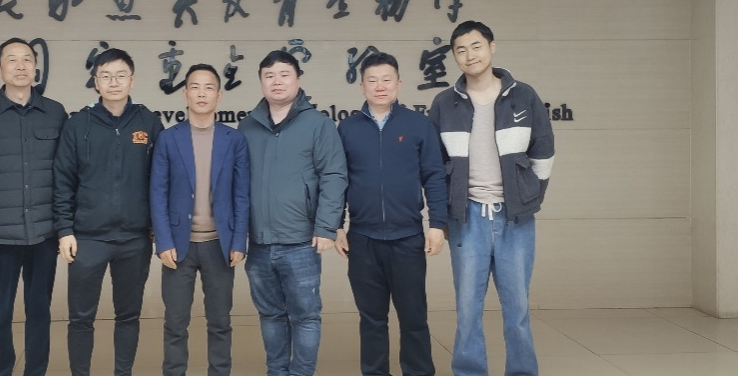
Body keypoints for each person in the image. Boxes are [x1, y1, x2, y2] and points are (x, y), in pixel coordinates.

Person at [428, 21, 556, 376]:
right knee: (468, 309)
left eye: (476, 46)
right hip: (467, 218)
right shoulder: (445, 103)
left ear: (492, 47)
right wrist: (445, 213)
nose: (470, 55)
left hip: (515, 219)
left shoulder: (523, 95)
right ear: (455, 56)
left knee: (518, 309)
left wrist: (528, 197)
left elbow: (544, 151)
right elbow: (434, 165)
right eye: (461, 50)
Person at [53, 48, 164, 376]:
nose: (113, 82)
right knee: (81, 318)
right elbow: (63, 180)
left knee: (128, 316)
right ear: (95, 82)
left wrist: (158, 227)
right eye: (105, 76)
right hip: (88, 238)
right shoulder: (78, 124)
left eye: (120, 76)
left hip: (134, 238)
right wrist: (64, 230)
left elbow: (161, 179)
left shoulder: (148, 121)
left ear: (132, 80)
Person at [0, 38, 68, 376]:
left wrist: (65, 228)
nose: (20, 66)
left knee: (40, 312)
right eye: (12, 60)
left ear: (36, 68)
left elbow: (66, 175)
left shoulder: (55, 112)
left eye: (27, 59)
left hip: (44, 234)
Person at [335, 52, 447, 376]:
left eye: (387, 79)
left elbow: (434, 176)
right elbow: (338, 180)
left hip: (407, 238)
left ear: (399, 83)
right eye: (372, 80)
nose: (380, 86)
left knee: (414, 318)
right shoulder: (347, 129)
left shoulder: (419, 125)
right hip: (363, 239)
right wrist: (336, 225)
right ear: (362, 86)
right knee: (371, 319)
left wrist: (437, 224)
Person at [238, 50, 347, 376]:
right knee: (270, 315)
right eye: (269, 75)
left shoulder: (318, 125)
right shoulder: (247, 127)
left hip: (301, 242)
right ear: (261, 82)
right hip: (258, 243)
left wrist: (326, 227)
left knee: (305, 316)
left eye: (284, 74)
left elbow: (334, 176)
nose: (277, 81)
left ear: (298, 79)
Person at [150, 64, 250, 376]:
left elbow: (241, 194)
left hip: (220, 245)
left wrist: (239, 241)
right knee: (175, 323)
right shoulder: (168, 139)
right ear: (185, 93)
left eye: (209, 87)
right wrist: (163, 241)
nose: (202, 93)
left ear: (219, 95)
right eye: (195, 87)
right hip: (178, 247)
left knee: (220, 323)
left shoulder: (234, 139)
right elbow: (157, 192)